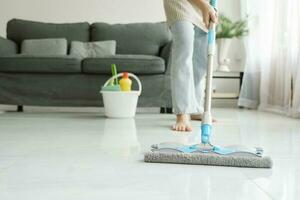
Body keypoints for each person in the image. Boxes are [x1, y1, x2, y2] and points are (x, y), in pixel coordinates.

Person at [163, 0, 218, 132]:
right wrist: (204, 5)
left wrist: (210, 7)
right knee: (184, 49)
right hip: (180, 3)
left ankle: (195, 108)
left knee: (202, 58)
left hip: (204, 7)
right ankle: (182, 112)